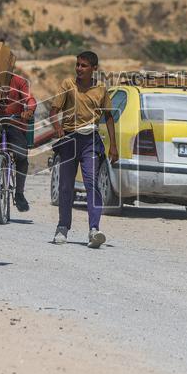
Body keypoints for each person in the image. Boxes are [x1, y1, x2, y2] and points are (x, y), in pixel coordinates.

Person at [48, 51, 119, 248]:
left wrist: (113, 145)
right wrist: (58, 128)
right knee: (65, 186)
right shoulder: (68, 85)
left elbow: (109, 117)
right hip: (70, 139)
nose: (79, 69)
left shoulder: (101, 90)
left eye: (84, 65)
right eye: (77, 65)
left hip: (91, 141)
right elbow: (54, 110)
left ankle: (94, 230)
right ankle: (62, 227)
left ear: (94, 68)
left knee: (91, 184)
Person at [0, 71, 37, 212]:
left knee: (22, 157)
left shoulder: (19, 81)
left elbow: (29, 99)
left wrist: (29, 110)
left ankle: (19, 193)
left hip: (15, 122)